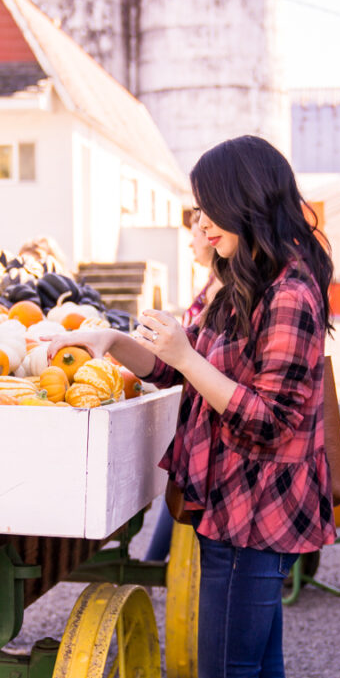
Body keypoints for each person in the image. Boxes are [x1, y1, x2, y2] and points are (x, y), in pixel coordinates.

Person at [49, 135, 340, 678]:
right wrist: (109, 341)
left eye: (206, 209)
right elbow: (177, 371)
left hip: (260, 513)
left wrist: (184, 355)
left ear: (244, 204)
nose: (198, 224)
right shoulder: (231, 286)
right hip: (218, 506)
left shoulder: (292, 293)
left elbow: (269, 417)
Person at [143, 211, 221, 562]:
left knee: (180, 491)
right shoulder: (216, 285)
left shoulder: (228, 289)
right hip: (204, 449)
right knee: (179, 490)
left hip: (227, 475)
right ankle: (155, 560)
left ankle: (155, 561)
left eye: (200, 229)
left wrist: (184, 357)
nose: (195, 236)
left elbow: (268, 417)